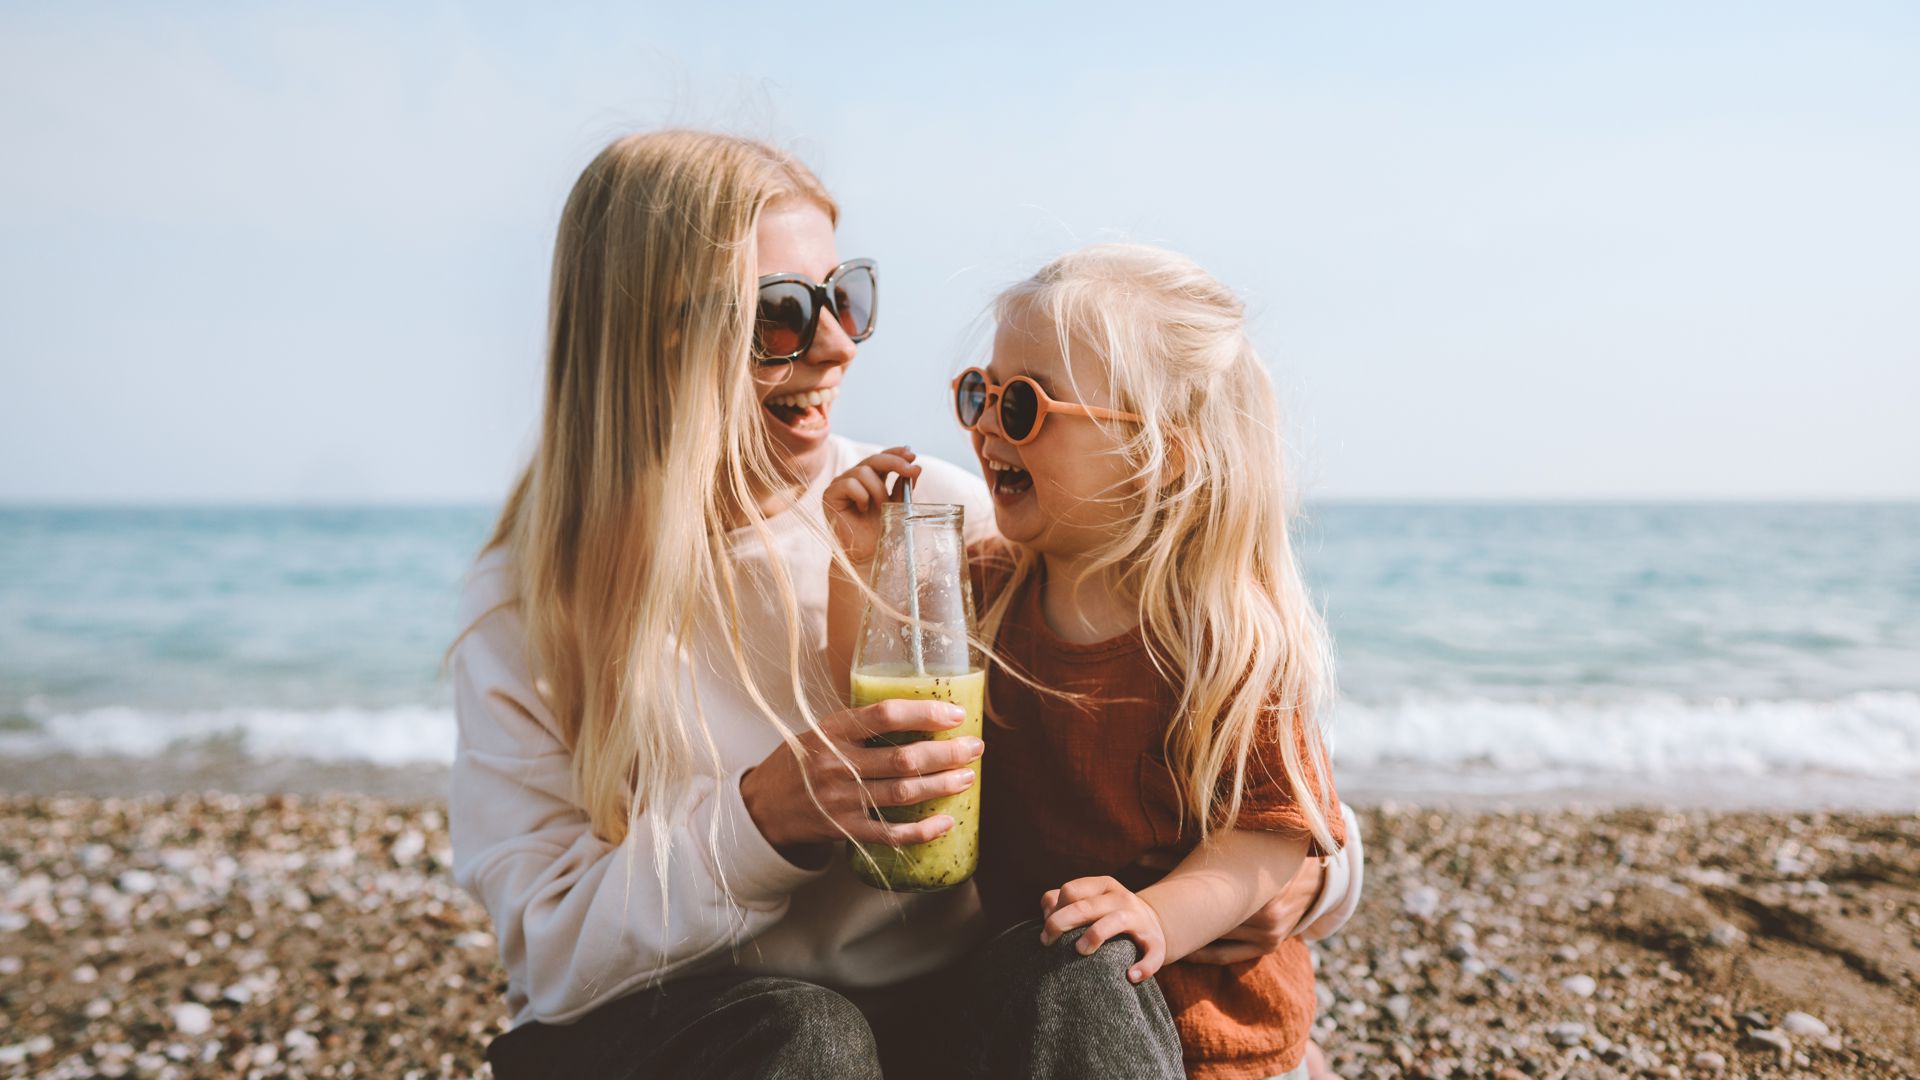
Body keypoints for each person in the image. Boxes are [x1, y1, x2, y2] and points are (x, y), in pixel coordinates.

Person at [449, 130, 1359, 1080]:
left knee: (1078, 969)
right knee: (809, 1036)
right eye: (781, 314)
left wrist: (1301, 880)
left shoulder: (935, 521)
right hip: (699, 1039)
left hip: (945, 1024)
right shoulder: (528, 608)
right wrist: (761, 821)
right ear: (646, 336)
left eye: (845, 298)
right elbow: (548, 958)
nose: (839, 345)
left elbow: (1247, 768)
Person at [826, 244, 1351, 1080]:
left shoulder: (1223, 640)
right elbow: (882, 717)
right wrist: (861, 563)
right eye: (981, 392)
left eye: (1024, 406)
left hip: (1212, 1032)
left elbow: (1268, 838)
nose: (985, 427)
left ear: (1160, 452)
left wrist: (1156, 917)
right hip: (1033, 1007)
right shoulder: (986, 590)